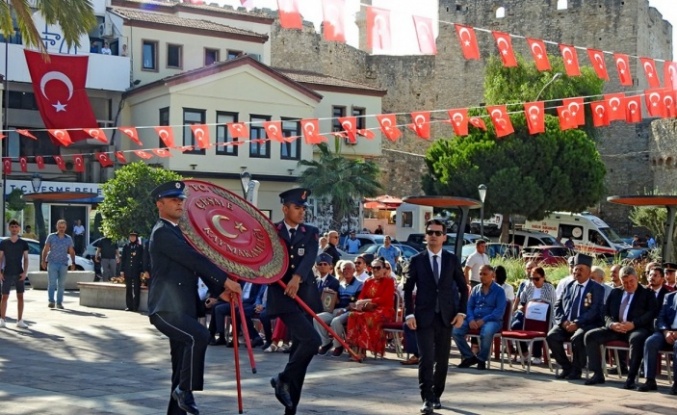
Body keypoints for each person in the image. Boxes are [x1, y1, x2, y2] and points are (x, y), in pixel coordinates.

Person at [147, 180, 241, 415]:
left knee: (180, 370)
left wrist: (219, 291)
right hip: (166, 309)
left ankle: (180, 398)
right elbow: (194, 259)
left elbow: (195, 266)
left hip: (184, 308)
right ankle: (186, 390)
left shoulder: (178, 232)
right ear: (160, 204)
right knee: (199, 336)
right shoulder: (162, 233)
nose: (180, 203)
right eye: (173, 199)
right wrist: (224, 280)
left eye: (181, 199)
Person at [404, 219, 467, 414]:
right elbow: (407, 289)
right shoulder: (417, 260)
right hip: (424, 316)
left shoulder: (451, 259)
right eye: (430, 232)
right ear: (425, 236)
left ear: (444, 237)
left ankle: (437, 394)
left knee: (442, 359)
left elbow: (464, 288)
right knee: (426, 358)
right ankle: (427, 399)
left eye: (438, 233)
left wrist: (461, 313)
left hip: (446, 317)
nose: (433, 236)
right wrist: (409, 314)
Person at [268, 188, 322, 415]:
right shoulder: (272, 231)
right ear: (285, 208)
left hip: (304, 295)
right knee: (312, 340)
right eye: (297, 208)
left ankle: (290, 406)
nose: (301, 213)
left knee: (301, 354)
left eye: (303, 209)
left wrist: (297, 278)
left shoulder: (310, 232)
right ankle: (282, 378)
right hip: (282, 296)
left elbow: (310, 256)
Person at [583, 266, 656, 389]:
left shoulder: (647, 293)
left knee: (637, 339)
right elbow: (605, 313)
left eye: (631, 281)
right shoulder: (615, 292)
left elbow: (651, 313)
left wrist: (634, 324)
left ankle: (631, 378)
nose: (628, 285)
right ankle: (597, 374)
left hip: (636, 328)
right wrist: (612, 324)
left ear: (637, 279)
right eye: (625, 282)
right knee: (590, 336)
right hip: (617, 328)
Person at [546, 253, 605, 380]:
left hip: (587, 324)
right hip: (567, 323)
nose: (577, 272)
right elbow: (558, 305)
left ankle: (577, 370)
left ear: (589, 272)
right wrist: (562, 322)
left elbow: (594, 310)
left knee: (578, 337)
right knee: (552, 336)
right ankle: (567, 367)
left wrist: (577, 323)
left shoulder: (597, 288)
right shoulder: (569, 286)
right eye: (576, 269)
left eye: (581, 270)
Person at [453, 264, 506, 371]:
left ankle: (482, 360)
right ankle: (469, 357)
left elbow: (499, 312)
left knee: (486, 331)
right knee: (456, 330)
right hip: (474, 319)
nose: (482, 276)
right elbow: (469, 307)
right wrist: (471, 319)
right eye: (480, 274)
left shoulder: (499, 291)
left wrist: (484, 320)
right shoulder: (475, 289)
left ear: (492, 275)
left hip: (492, 320)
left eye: (485, 274)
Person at [346, 257, 395, 358]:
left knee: (365, 317)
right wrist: (361, 303)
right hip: (369, 309)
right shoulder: (368, 281)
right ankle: (356, 348)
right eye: (373, 267)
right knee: (353, 315)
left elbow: (384, 299)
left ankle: (361, 350)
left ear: (384, 269)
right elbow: (361, 296)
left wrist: (367, 301)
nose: (375, 270)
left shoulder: (389, 281)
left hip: (384, 310)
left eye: (378, 267)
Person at [315, 260, 363, 356]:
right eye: (344, 269)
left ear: (353, 270)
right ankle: (326, 343)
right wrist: (330, 295)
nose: (346, 271)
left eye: (348, 268)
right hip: (337, 310)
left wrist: (344, 310)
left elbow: (356, 303)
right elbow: (336, 302)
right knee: (317, 318)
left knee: (335, 321)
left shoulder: (360, 284)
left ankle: (338, 346)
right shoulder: (339, 284)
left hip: (350, 311)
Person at [511, 266, 557, 365]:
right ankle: (525, 353)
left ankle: (537, 355)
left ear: (543, 277)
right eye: (532, 278)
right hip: (528, 315)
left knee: (538, 325)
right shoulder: (528, 286)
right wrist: (520, 307)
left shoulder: (549, 288)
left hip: (545, 317)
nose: (534, 281)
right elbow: (521, 303)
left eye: (537, 279)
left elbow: (552, 306)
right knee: (515, 325)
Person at [638, 290, 677, 394]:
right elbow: (661, 318)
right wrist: (665, 332)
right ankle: (650, 380)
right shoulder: (669, 297)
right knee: (650, 342)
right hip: (667, 331)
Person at [0, 219, 30, 328]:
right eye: (12, 227)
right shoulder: (4, 243)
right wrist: (0, 272)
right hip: (7, 272)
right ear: (9, 228)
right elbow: (0, 258)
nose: (14, 229)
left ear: (19, 228)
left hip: (19, 273)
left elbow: (26, 259)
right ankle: (2, 319)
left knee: (20, 297)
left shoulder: (23, 243)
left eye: (16, 227)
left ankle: (20, 320)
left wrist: (25, 273)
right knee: (4, 297)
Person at [41, 219, 76, 309]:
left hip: (63, 263)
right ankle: (51, 301)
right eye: (60, 227)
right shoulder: (51, 236)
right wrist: (43, 260)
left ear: (66, 228)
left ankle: (59, 303)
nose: (61, 229)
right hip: (52, 262)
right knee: (52, 283)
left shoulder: (68, 238)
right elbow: (45, 249)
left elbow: (71, 251)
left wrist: (73, 262)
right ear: (57, 227)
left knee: (61, 284)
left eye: (63, 227)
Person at [120, 231, 144, 312]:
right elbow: (123, 259)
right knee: (128, 288)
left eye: (134, 236)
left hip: (136, 271)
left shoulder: (139, 247)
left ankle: (135, 306)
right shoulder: (126, 246)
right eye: (131, 236)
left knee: (136, 289)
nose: (132, 238)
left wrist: (142, 270)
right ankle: (129, 306)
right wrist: (122, 270)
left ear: (136, 237)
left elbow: (142, 259)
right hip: (128, 270)